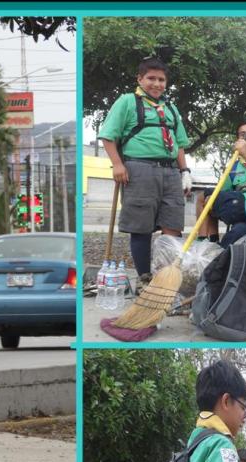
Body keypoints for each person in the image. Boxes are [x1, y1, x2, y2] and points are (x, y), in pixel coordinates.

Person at [98, 57, 192, 288]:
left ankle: (167, 281)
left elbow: (179, 143)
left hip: (170, 171)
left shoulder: (170, 108)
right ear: (140, 79)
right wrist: (118, 165)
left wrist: (185, 171)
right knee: (141, 226)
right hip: (139, 169)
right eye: (151, 78)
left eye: (161, 79)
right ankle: (144, 279)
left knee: (173, 226)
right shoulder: (127, 102)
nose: (157, 83)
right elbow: (109, 136)